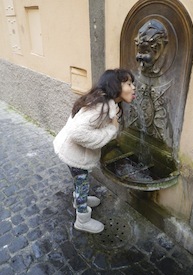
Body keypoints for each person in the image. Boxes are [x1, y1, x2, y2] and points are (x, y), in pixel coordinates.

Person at [53, 68, 135, 234]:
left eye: (132, 83)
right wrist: (111, 130)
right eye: (128, 83)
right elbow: (77, 132)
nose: (133, 87)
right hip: (75, 155)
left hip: (70, 151)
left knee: (79, 182)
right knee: (83, 184)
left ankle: (78, 201)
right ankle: (82, 219)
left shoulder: (101, 101)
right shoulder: (101, 107)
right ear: (116, 86)